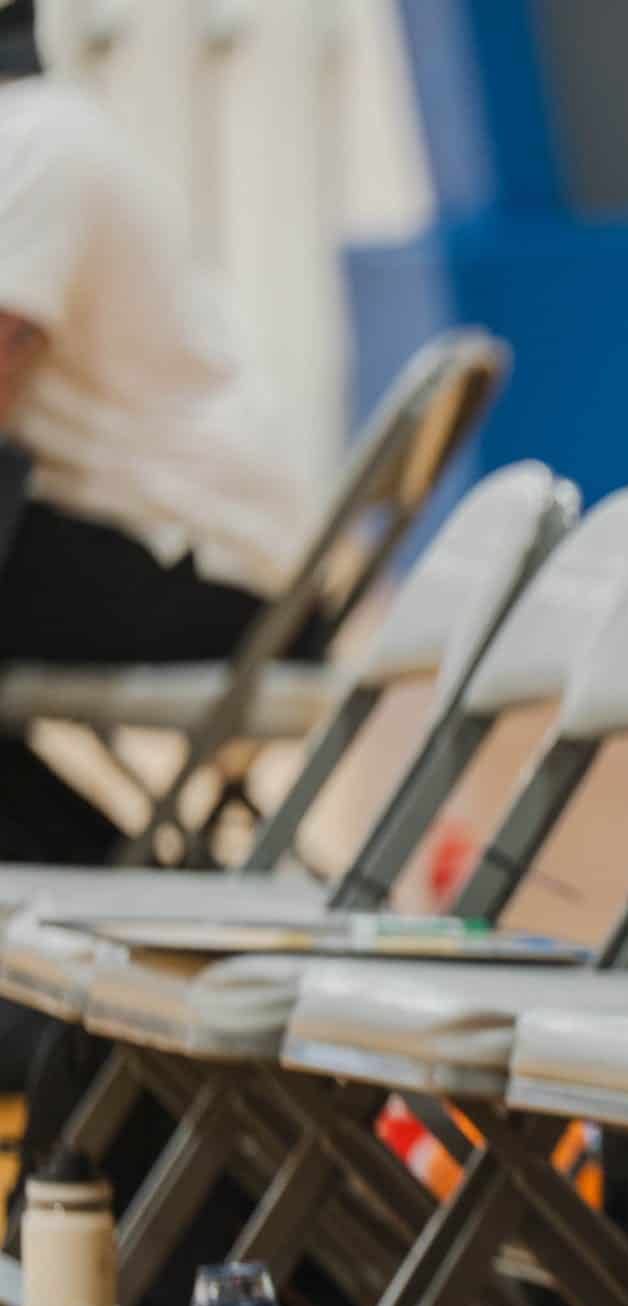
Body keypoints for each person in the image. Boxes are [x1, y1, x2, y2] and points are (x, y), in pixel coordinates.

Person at [0, 0, 313, 867]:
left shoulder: (30, 146)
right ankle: (93, 887)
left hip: (213, 574)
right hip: (191, 557)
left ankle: (89, 895)